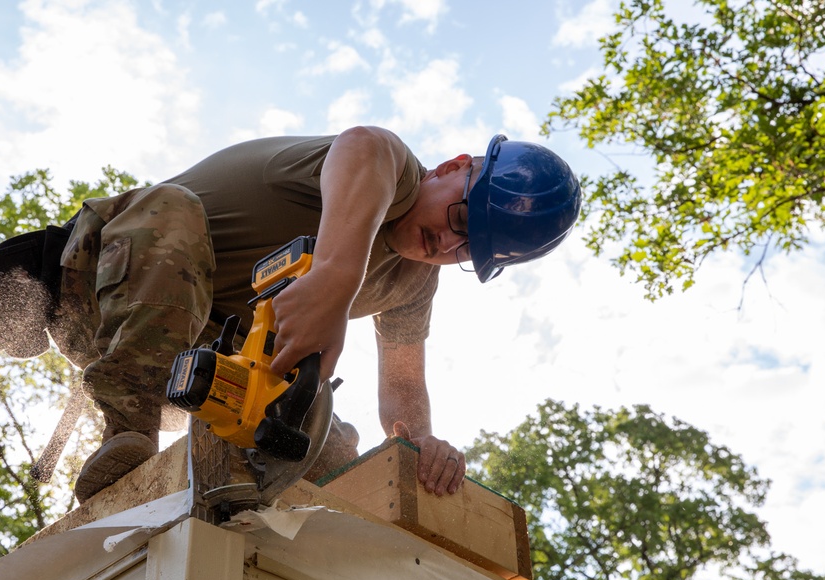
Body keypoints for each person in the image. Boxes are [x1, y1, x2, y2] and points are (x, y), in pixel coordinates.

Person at [48, 126, 580, 503]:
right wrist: (334, 277)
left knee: (325, 445)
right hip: (96, 278)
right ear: (451, 169)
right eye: (460, 217)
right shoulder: (390, 170)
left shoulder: (413, 283)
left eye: (467, 251)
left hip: (196, 345)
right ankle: (126, 440)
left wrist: (420, 445)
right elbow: (364, 146)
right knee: (173, 211)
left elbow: (402, 388)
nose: (446, 242)